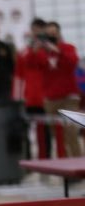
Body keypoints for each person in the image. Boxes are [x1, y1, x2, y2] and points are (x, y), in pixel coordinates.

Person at [29, 21, 81, 157]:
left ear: (59, 34)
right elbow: (32, 67)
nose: (52, 37)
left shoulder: (68, 48)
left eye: (54, 34)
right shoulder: (41, 52)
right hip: (51, 99)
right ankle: (65, 169)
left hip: (69, 97)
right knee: (57, 135)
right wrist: (35, 51)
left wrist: (57, 50)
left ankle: (78, 166)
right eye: (49, 35)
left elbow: (72, 63)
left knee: (71, 132)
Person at [15, 19, 50, 158]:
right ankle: (28, 160)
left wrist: (41, 50)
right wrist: (17, 98)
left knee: (45, 130)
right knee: (25, 130)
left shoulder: (50, 50)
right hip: (28, 97)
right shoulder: (24, 51)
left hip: (45, 96)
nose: (36, 33)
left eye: (39, 30)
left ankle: (45, 158)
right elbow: (18, 75)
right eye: (34, 30)